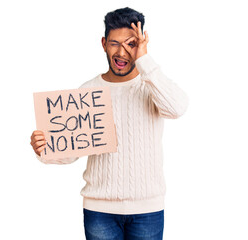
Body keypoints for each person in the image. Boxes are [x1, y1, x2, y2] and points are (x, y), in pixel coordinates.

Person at [30, 7, 189, 240]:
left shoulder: (151, 85)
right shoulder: (88, 91)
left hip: (148, 209)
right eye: (115, 43)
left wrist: (144, 60)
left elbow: (177, 108)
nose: (122, 51)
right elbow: (72, 150)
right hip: (99, 209)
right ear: (104, 43)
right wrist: (44, 148)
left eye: (131, 44)